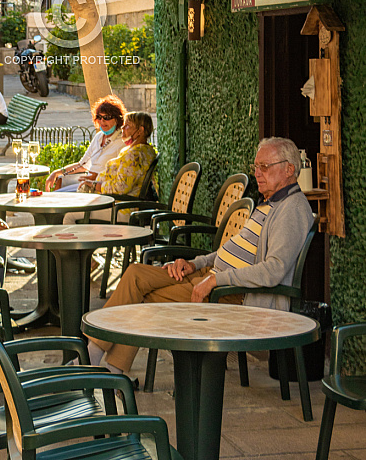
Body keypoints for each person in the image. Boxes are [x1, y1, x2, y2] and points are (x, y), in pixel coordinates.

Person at [85, 136, 314, 375]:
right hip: (210, 276)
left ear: (289, 169)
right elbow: (231, 251)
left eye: (264, 167)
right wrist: (195, 264)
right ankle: (98, 358)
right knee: (135, 274)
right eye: (256, 167)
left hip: (233, 295)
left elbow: (273, 270)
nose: (258, 173)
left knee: (145, 300)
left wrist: (215, 280)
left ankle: (105, 366)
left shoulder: (292, 208)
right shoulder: (268, 203)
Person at [63, 111, 157, 225]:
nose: (123, 128)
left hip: (122, 208)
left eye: (127, 126)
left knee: (69, 215)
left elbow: (121, 187)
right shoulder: (143, 150)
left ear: (140, 131)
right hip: (115, 202)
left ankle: (77, 242)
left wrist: (96, 185)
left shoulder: (135, 155)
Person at [45, 94, 127, 191]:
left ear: (117, 119)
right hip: (85, 184)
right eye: (99, 117)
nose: (102, 121)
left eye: (107, 117)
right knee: (55, 192)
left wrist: (96, 180)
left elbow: (120, 175)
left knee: (57, 198)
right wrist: (57, 172)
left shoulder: (122, 141)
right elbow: (82, 165)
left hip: (98, 188)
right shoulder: (99, 137)